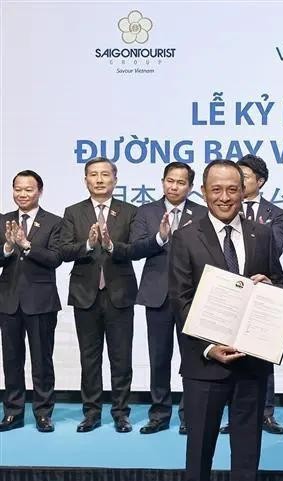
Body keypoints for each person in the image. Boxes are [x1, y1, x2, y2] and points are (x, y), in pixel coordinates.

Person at [169, 160, 283, 481]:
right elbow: (181, 300)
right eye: (216, 190)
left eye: (232, 189)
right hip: (205, 364)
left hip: (252, 362)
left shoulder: (261, 234)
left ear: (244, 190)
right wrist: (210, 347)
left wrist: (271, 289)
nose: (224, 197)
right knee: (199, 453)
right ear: (204, 192)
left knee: (248, 452)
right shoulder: (185, 238)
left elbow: (281, 286)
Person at [60, 157, 138, 433]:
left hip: (120, 293)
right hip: (85, 294)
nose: (100, 179)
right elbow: (63, 251)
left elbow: (136, 248)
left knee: (121, 357)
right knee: (89, 358)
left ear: (115, 180)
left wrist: (111, 245)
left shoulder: (129, 211)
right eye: (94, 174)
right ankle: (91, 412)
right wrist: (88, 244)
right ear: (85, 180)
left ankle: (121, 413)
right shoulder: (73, 212)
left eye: (106, 174)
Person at [130, 162, 207, 435]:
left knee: (192, 359)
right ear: (163, 182)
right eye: (170, 181)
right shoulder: (146, 211)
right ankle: (159, 413)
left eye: (181, 182)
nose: (174, 186)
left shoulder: (201, 213)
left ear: (190, 186)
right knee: (159, 358)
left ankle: (190, 414)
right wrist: (160, 238)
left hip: (191, 296)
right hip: (157, 295)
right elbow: (135, 249)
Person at [220, 154, 283, 435]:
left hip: (262, 289)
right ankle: (234, 415)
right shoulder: (224, 209)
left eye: (244, 176)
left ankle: (266, 413)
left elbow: (276, 249)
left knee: (262, 353)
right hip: (227, 290)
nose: (239, 181)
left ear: (259, 181)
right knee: (228, 352)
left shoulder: (274, 213)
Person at [0, 170, 62, 433]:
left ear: (40, 191)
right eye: (17, 189)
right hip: (8, 300)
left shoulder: (54, 222)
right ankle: (13, 412)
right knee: (11, 360)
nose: (22, 194)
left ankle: (43, 413)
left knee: (42, 361)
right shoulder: (3, 221)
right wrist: (7, 247)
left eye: (28, 189)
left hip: (41, 301)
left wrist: (26, 244)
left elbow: (55, 258)